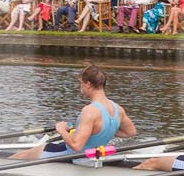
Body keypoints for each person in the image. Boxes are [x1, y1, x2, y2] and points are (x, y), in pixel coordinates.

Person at [7, 64, 138, 161]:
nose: (80, 87)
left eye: (80, 83)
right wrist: (97, 130)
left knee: (20, 156)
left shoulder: (90, 111)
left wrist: (61, 129)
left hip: (74, 155)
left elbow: (76, 145)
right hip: (94, 156)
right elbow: (130, 132)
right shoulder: (118, 109)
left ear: (87, 84)